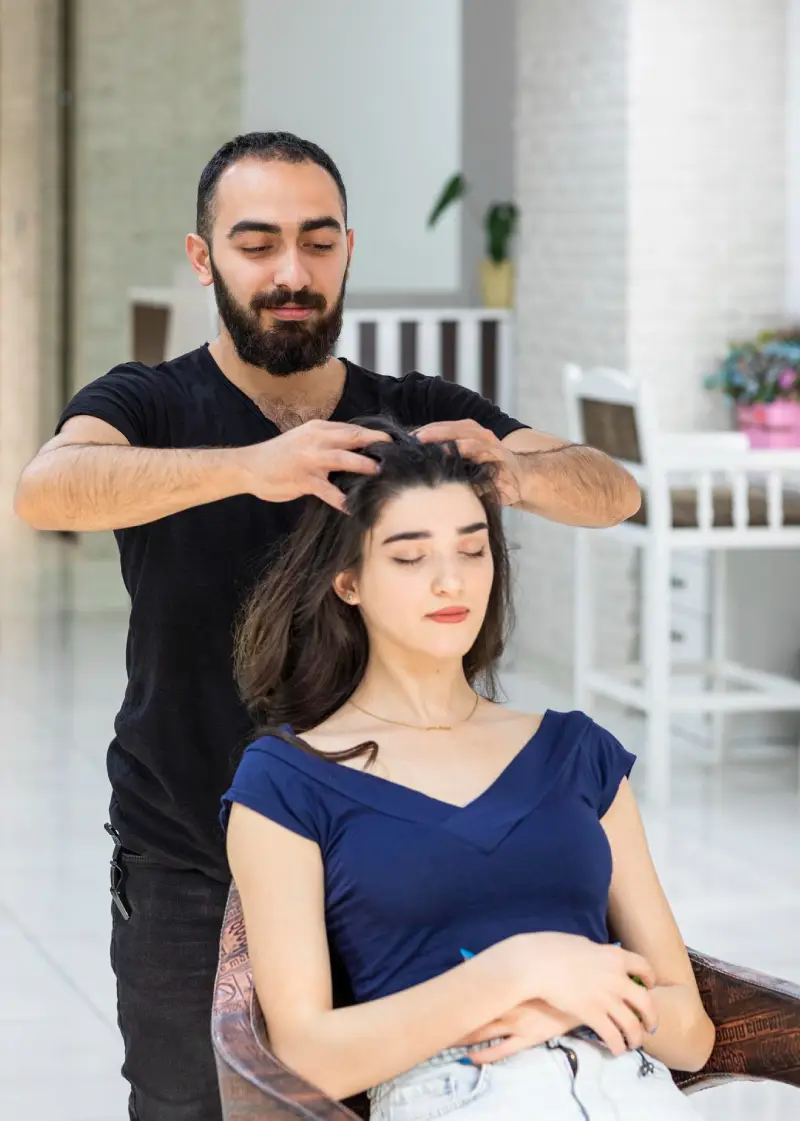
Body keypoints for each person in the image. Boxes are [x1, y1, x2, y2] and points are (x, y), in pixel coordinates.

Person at [13, 131, 640, 1121]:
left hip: (385, 867)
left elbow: (612, 489)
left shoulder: (415, 411)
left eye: (315, 241)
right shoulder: (148, 400)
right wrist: (248, 466)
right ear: (202, 256)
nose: (290, 272)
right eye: (256, 244)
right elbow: (47, 490)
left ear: (348, 247)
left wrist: (516, 471)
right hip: (188, 857)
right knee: (189, 1103)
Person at [223, 418, 713, 1120]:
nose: (451, 578)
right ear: (348, 581)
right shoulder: (287, 779)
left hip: (630, 1086)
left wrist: (559, 1003)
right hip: (459, 1095)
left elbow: (691, 1031)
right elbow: (307, 1056)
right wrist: (517, 971)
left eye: (472, 548)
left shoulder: (579, 752)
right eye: (409, 556)